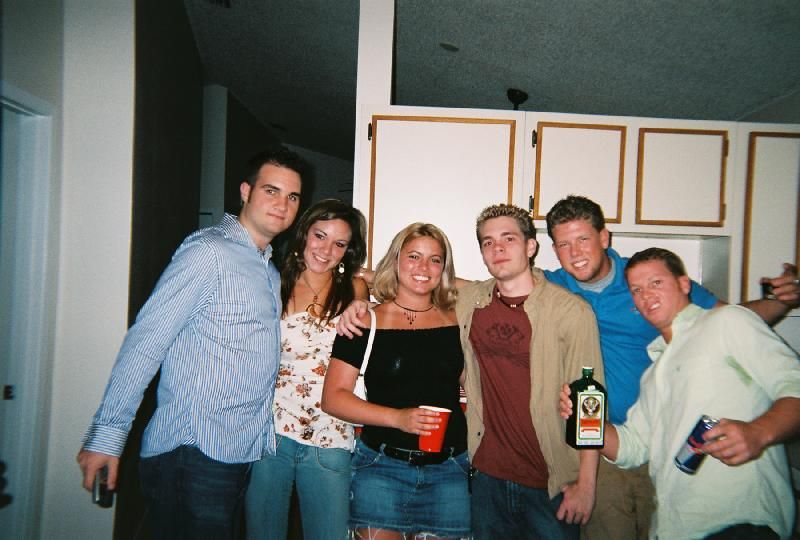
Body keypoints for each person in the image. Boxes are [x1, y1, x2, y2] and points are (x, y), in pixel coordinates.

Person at [77, 147, 305, 539]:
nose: (282, 204)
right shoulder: (208, 252)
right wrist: (108, 437)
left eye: (293, 196)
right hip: (194, 450)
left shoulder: (267, 268)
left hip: (236, 451)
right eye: (271, 190)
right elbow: (146, 342)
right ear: (246, 191)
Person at [544, 195, 800, 540]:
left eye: (656, 284)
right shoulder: (656, 372)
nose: (645, 296)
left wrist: (759, 432)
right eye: (636, 290)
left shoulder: (724, 324)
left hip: (740, 520)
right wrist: (583, 420)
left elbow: (754, 335)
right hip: (661, 491)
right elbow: (633, 444)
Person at [454, 203, 603, 540]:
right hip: (487, 477)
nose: (498, 248)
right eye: (488, 242)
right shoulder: (470, 301)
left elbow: (590, 403)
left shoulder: (571, 312)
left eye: (508, 238)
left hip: (550, 483)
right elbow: (418, 285)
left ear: (531, 246)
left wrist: (586, 484)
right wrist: (363, 290)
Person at [322, 223, 470, 540]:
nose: (423, 267)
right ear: (396, 260)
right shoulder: (365, 320)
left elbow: (494, 289)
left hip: (450, 471)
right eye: (413, 256)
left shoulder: (458, 319)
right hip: (381, 467)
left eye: (435, 260)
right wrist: (398, 418)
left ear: (444, 268)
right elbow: (333, 398)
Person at [244, 199, 369, 540]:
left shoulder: (354, 288)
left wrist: (364, 297)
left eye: (339, 244)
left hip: (331, 434)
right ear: (304, 233)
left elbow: (417, 283)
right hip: (272, 432)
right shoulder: (274, 282)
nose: (326, 251)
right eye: (320, 236)